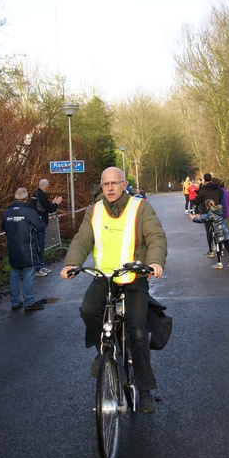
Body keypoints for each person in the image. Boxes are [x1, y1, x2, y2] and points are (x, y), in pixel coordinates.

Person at [60, 166, 167, 414]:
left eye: (114, 183)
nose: (109, 188)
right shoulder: (94, 210)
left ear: (123, 185)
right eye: (105, 184)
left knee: (138, 332)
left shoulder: (141, 208)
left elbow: (156, 237)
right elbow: (82, 239)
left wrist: (155, 262)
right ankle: (103, 351)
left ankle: (144, 390)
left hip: (133, 276)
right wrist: (71, 263)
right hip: (105, 276)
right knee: (88, 309)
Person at [2, 188, 45, 311]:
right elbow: (40, 227)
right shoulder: (30, 212)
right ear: (26, 198)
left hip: (13, 249)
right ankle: (29, 301)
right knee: (28, 275)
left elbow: (4, 229)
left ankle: (15, 301)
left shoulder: (7, 213)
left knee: (15, 274)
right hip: (28, 250)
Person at [30, 179, 62, 277]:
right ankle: (38, 267)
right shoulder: (42, 195)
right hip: (41, 223)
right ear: (47, 186)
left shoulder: (35, 194)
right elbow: (50, 209)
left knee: (38, 245)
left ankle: (41, 265)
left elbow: (42, 207)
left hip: (35, 222)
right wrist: (56, 203)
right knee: (40, 245)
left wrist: (51, 202)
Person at [190, 199, 229, 269]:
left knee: (218, 247)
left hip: (218, 231)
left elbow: (204, 219)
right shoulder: (218, 209)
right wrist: (200, 215)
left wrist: (194, 219)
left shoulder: (211, 213)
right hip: (225, 229)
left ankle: (219, 263)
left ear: (207, 206)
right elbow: (208, 216)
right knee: (227, 245)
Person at [193, 173, 223, 257]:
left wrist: (196, 201)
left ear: (204, 180)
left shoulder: (204, 190)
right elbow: (221, 196)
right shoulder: (217, 188)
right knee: (217, 230)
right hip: (217, 211)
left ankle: (211, 251)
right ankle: (220, 249)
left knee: (209, 231)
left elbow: (197, 200)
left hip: (207, 212)